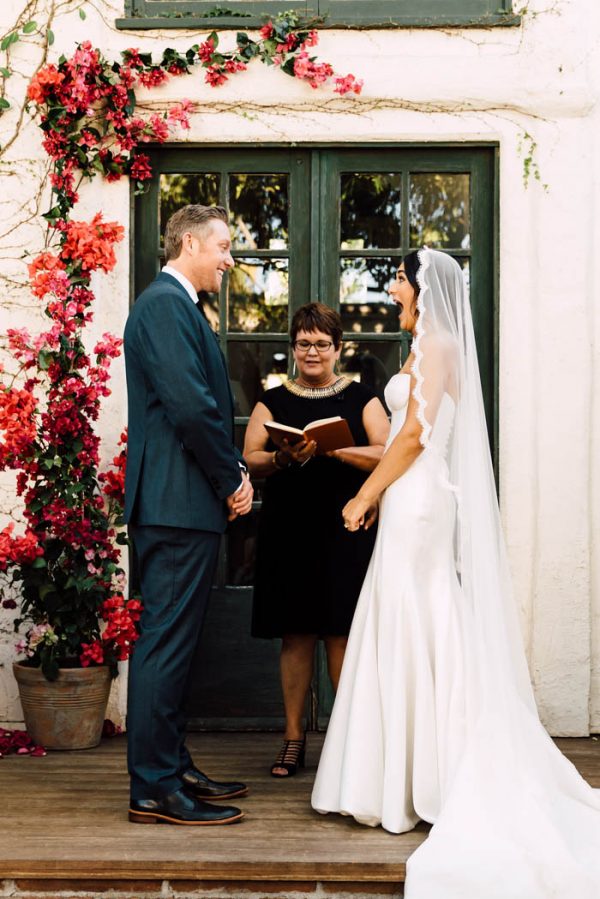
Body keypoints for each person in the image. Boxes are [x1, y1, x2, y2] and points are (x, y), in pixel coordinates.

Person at [311, 249, 600, 898]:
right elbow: (396, 443)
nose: (390, 285)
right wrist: (337, 451)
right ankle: (405, 776)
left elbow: (415, 439)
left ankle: (433, 778)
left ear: (421, 287)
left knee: (419, 617)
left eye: (398, 276)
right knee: (403, 618)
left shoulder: (439, 343)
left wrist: (365, 496)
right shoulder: (422, 347)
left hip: (418, 502)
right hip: (408, 493)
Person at [123, 204, 254, 826]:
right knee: (164, 645)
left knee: (176, 643)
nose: (230, 260)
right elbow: (192, 407)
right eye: (224, 246)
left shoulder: (176, 306)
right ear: (193, 243)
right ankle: (152, 786)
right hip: (176, 504)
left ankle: (171, 765)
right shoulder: (163, 305)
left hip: (182, 503)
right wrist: (233, 476)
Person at [243, 303, 390, 777]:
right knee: (296, 636)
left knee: (341, 637)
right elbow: (249, 457)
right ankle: (292, 738)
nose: (312, 352)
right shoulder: (272, 400)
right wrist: (284, 459)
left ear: (337, 348)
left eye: (322, 344)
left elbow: (387, 451)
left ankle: (347, 742)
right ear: (293, 348)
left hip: (345, 528)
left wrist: (335, 449)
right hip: (289, 530)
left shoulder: (362, 397)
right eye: (303, 343)